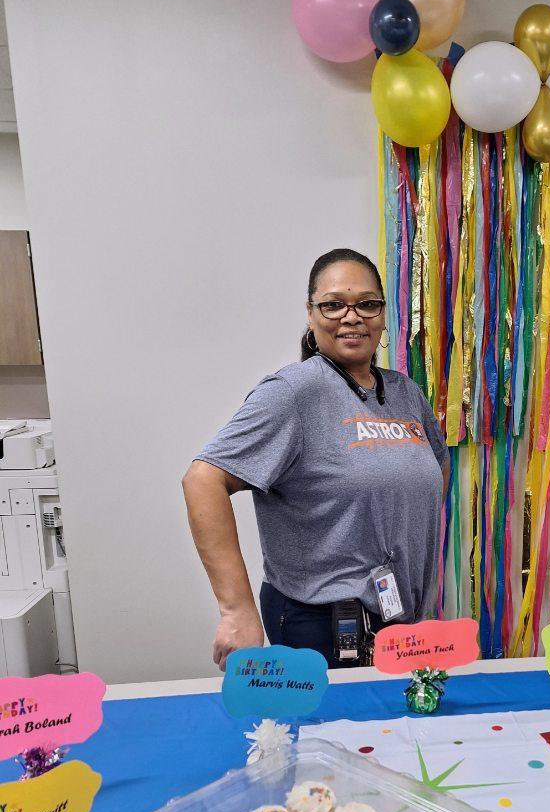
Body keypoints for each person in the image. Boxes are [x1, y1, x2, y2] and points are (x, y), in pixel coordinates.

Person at [182, 248, 449, 671]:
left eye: (367, 303)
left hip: (400, 618)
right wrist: (236, 610)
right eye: (333, 305)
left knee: (396, 734)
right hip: (322, 624)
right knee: (330, 737)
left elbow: (435, 468)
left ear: (383, 313)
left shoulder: (405, 393)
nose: (352, 316)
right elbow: (202, 480)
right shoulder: (293, 393)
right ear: (310, 314)